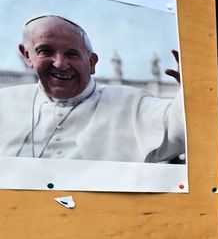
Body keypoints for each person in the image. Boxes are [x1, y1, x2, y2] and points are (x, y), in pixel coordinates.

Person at [0, 14, 185, 163]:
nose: (60, 64)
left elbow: (178, 128)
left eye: (72, 54)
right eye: (45, 51)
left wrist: (192, 88)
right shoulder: (5, 101)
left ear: (92, 63)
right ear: (27, 56)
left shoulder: (130, 103)